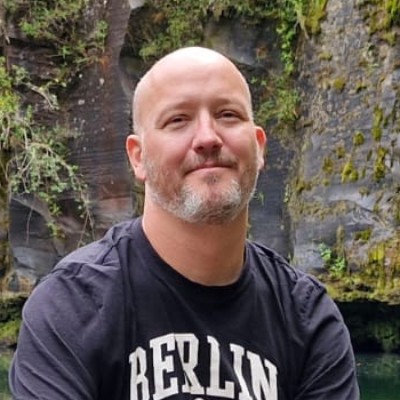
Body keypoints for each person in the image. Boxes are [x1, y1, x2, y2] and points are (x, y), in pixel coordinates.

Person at [9, 46, 359, 400]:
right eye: (178, 120)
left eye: (228, 114)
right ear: (138, 157)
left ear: (259, 147)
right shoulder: (72, 305)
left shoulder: (307, 317)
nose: (207, 138)